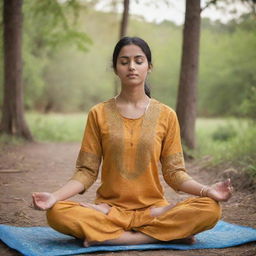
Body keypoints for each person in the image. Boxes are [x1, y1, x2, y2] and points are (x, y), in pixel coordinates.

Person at [32, 36, 233, 247]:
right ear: (116, 68)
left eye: (139, 60)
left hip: (154, 210)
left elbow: (175, 173)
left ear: (149, 66)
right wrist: (54, 197)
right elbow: (86, 172)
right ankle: (162, 236)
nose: (132, 67)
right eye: (124, 61)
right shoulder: (98, 113)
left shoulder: (166, 115)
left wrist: (207, 191)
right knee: (56, 212)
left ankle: (111, 238)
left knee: (211, 208)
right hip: (108, 211)